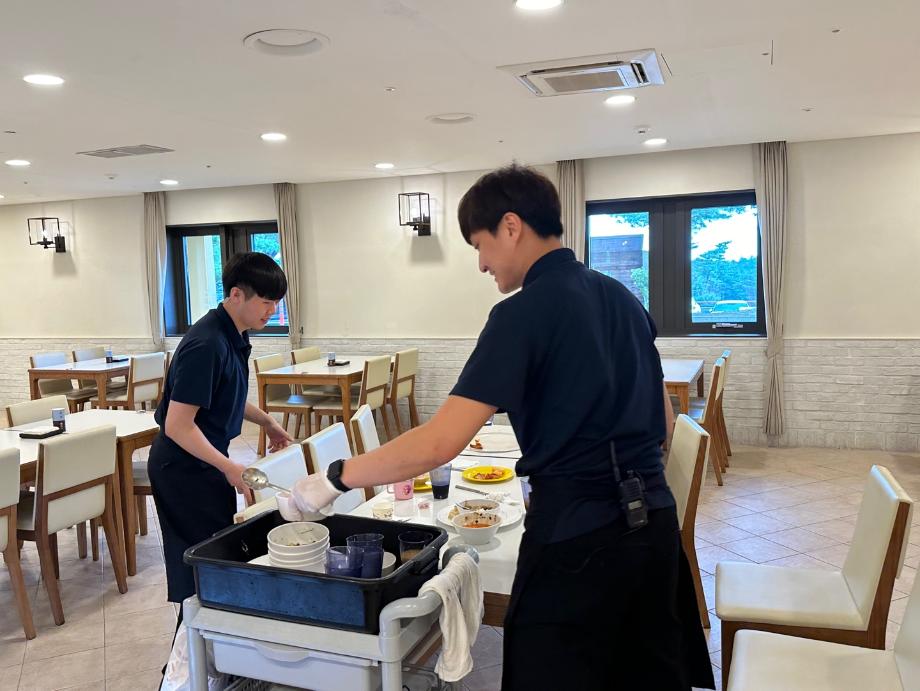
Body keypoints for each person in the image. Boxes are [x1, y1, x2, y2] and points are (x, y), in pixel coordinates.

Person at [291, 165, 713, 690]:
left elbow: (441, 441)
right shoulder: (624, 299)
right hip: (654, 527)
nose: (482, 263)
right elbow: (664, 425)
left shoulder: (520, 314)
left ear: (511, 226)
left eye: (480, 245)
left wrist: (334, 477)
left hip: (576, 535)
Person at [149, 251, 293, 611]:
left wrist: (268, 422)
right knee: (200, 562)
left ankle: (209, 634)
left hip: (205, 457)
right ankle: (189, 641)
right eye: (266, 302)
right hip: (182, 466)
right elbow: (178, 425)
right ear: (236, 295)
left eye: (276, 303)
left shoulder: (233, 334)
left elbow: (223, 395)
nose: (272, 311)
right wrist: (229, 467)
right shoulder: (207, 343)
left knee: (218, 551)